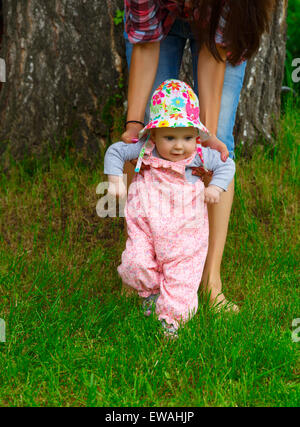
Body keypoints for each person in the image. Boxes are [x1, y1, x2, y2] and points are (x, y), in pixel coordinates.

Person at [122, 0, 274, 311]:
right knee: (147, 142)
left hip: (219, 20)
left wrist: (208, 138)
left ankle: (210, 282)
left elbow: (214, 54)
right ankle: (140, 277)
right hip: (158, 22)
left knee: (220, 149)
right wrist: (134, 125)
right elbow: (147, 45)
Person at [104, 80, 235, 337]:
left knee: (182, 281)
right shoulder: (145, 149)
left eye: (187, 137)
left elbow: (226, 165)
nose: (179, 146)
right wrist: (115, 180)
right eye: (170, 137)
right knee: (134, 264)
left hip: (185, 236)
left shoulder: (197, 155)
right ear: (153, 135)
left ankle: (170, 322)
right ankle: (151, 293)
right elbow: (116, 151)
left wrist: (215, 188)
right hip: (148, 229)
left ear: (197, 137)